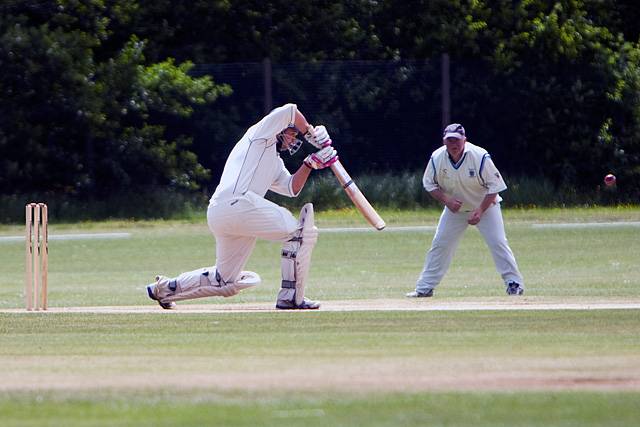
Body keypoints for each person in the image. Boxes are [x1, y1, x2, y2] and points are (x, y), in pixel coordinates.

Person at [146, 103, 338, 309]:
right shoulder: (261, 133)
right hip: (237, 204)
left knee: (225, 280)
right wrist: (310, 132)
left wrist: (309, 164)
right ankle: (290, 298)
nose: (293, 139)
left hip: (222, 212)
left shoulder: (274, 161)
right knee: (300, 233)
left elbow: (292, 188)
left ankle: (165, 288)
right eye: (292, 133)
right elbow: (290, 110)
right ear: (280, 129)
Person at [406, 123, 524, 298]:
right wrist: (447, 200)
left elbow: (495, 185)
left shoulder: (479, 156)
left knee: (498, 243)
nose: (453, 144)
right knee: (440, 244)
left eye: (456, 140)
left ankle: (514, 284)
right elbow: (428, 183)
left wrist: (481, 210)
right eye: (449, 140)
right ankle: (425, 288)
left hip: (486, 207)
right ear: (444, 141)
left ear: (464, 140)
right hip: (455, 210)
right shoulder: (437, 157)